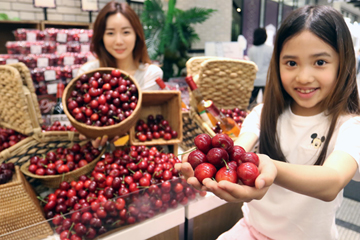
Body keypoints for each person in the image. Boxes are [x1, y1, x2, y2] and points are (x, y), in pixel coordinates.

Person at [175, 5, 360, 240]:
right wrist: (215, 165)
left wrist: (271, 167)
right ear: (277, 63)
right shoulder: (263, 114)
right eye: (291, 63)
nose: (303, 77)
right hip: (253, 231)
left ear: (343, 64)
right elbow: (238, 149)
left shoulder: (350, 126)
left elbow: (332, 181)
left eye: (320, 62)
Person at [77, 1, 163, 147]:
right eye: (110, 33)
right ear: (101, 37)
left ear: (137, 34)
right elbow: (81, 123)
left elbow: (141, 122)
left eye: (126, 32)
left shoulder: (151, 74)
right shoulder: (88, 73)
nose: (118, 41)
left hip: (139, 155)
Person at [247, 28, 273, 108]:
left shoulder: (251, 50)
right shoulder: (270, 49)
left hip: (255, 79)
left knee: (251, 103)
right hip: (267, 79)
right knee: (267, 103)